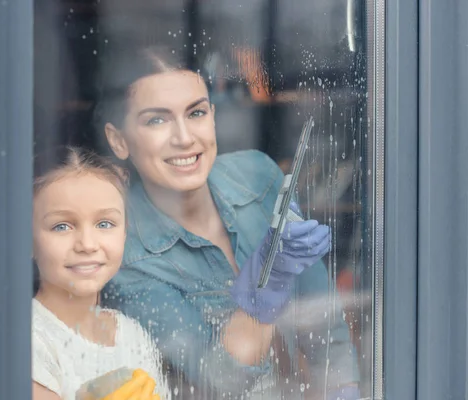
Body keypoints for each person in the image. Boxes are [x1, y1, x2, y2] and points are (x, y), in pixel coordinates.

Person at [97, 46, 360, 399]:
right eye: (156, 120)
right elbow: (216, 383)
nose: (185, 137)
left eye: (196, 113)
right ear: (119, 140)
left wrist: (345, 392)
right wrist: (266, 288)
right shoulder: (125, 255)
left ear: (213, 115)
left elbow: (328, 336)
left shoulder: (258, 175)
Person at [31, 146, 170, 400]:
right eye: (62, 226)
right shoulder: (29, 340)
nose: (87, 244)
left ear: (125, 232)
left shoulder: (132, 335)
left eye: (104, 224)